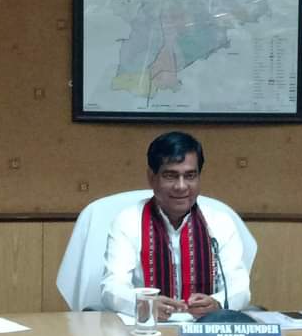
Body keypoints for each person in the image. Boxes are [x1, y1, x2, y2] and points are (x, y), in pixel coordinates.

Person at [100, 131, 250, 319]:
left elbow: (239, 287)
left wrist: (217, 303)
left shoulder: (219, 223)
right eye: (170, 176)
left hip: (204, 328)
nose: (181, 186)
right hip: (146, 326)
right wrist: (144, 303)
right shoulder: (128, 221)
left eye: (190, 176)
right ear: (152, 178)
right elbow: (112, 287)